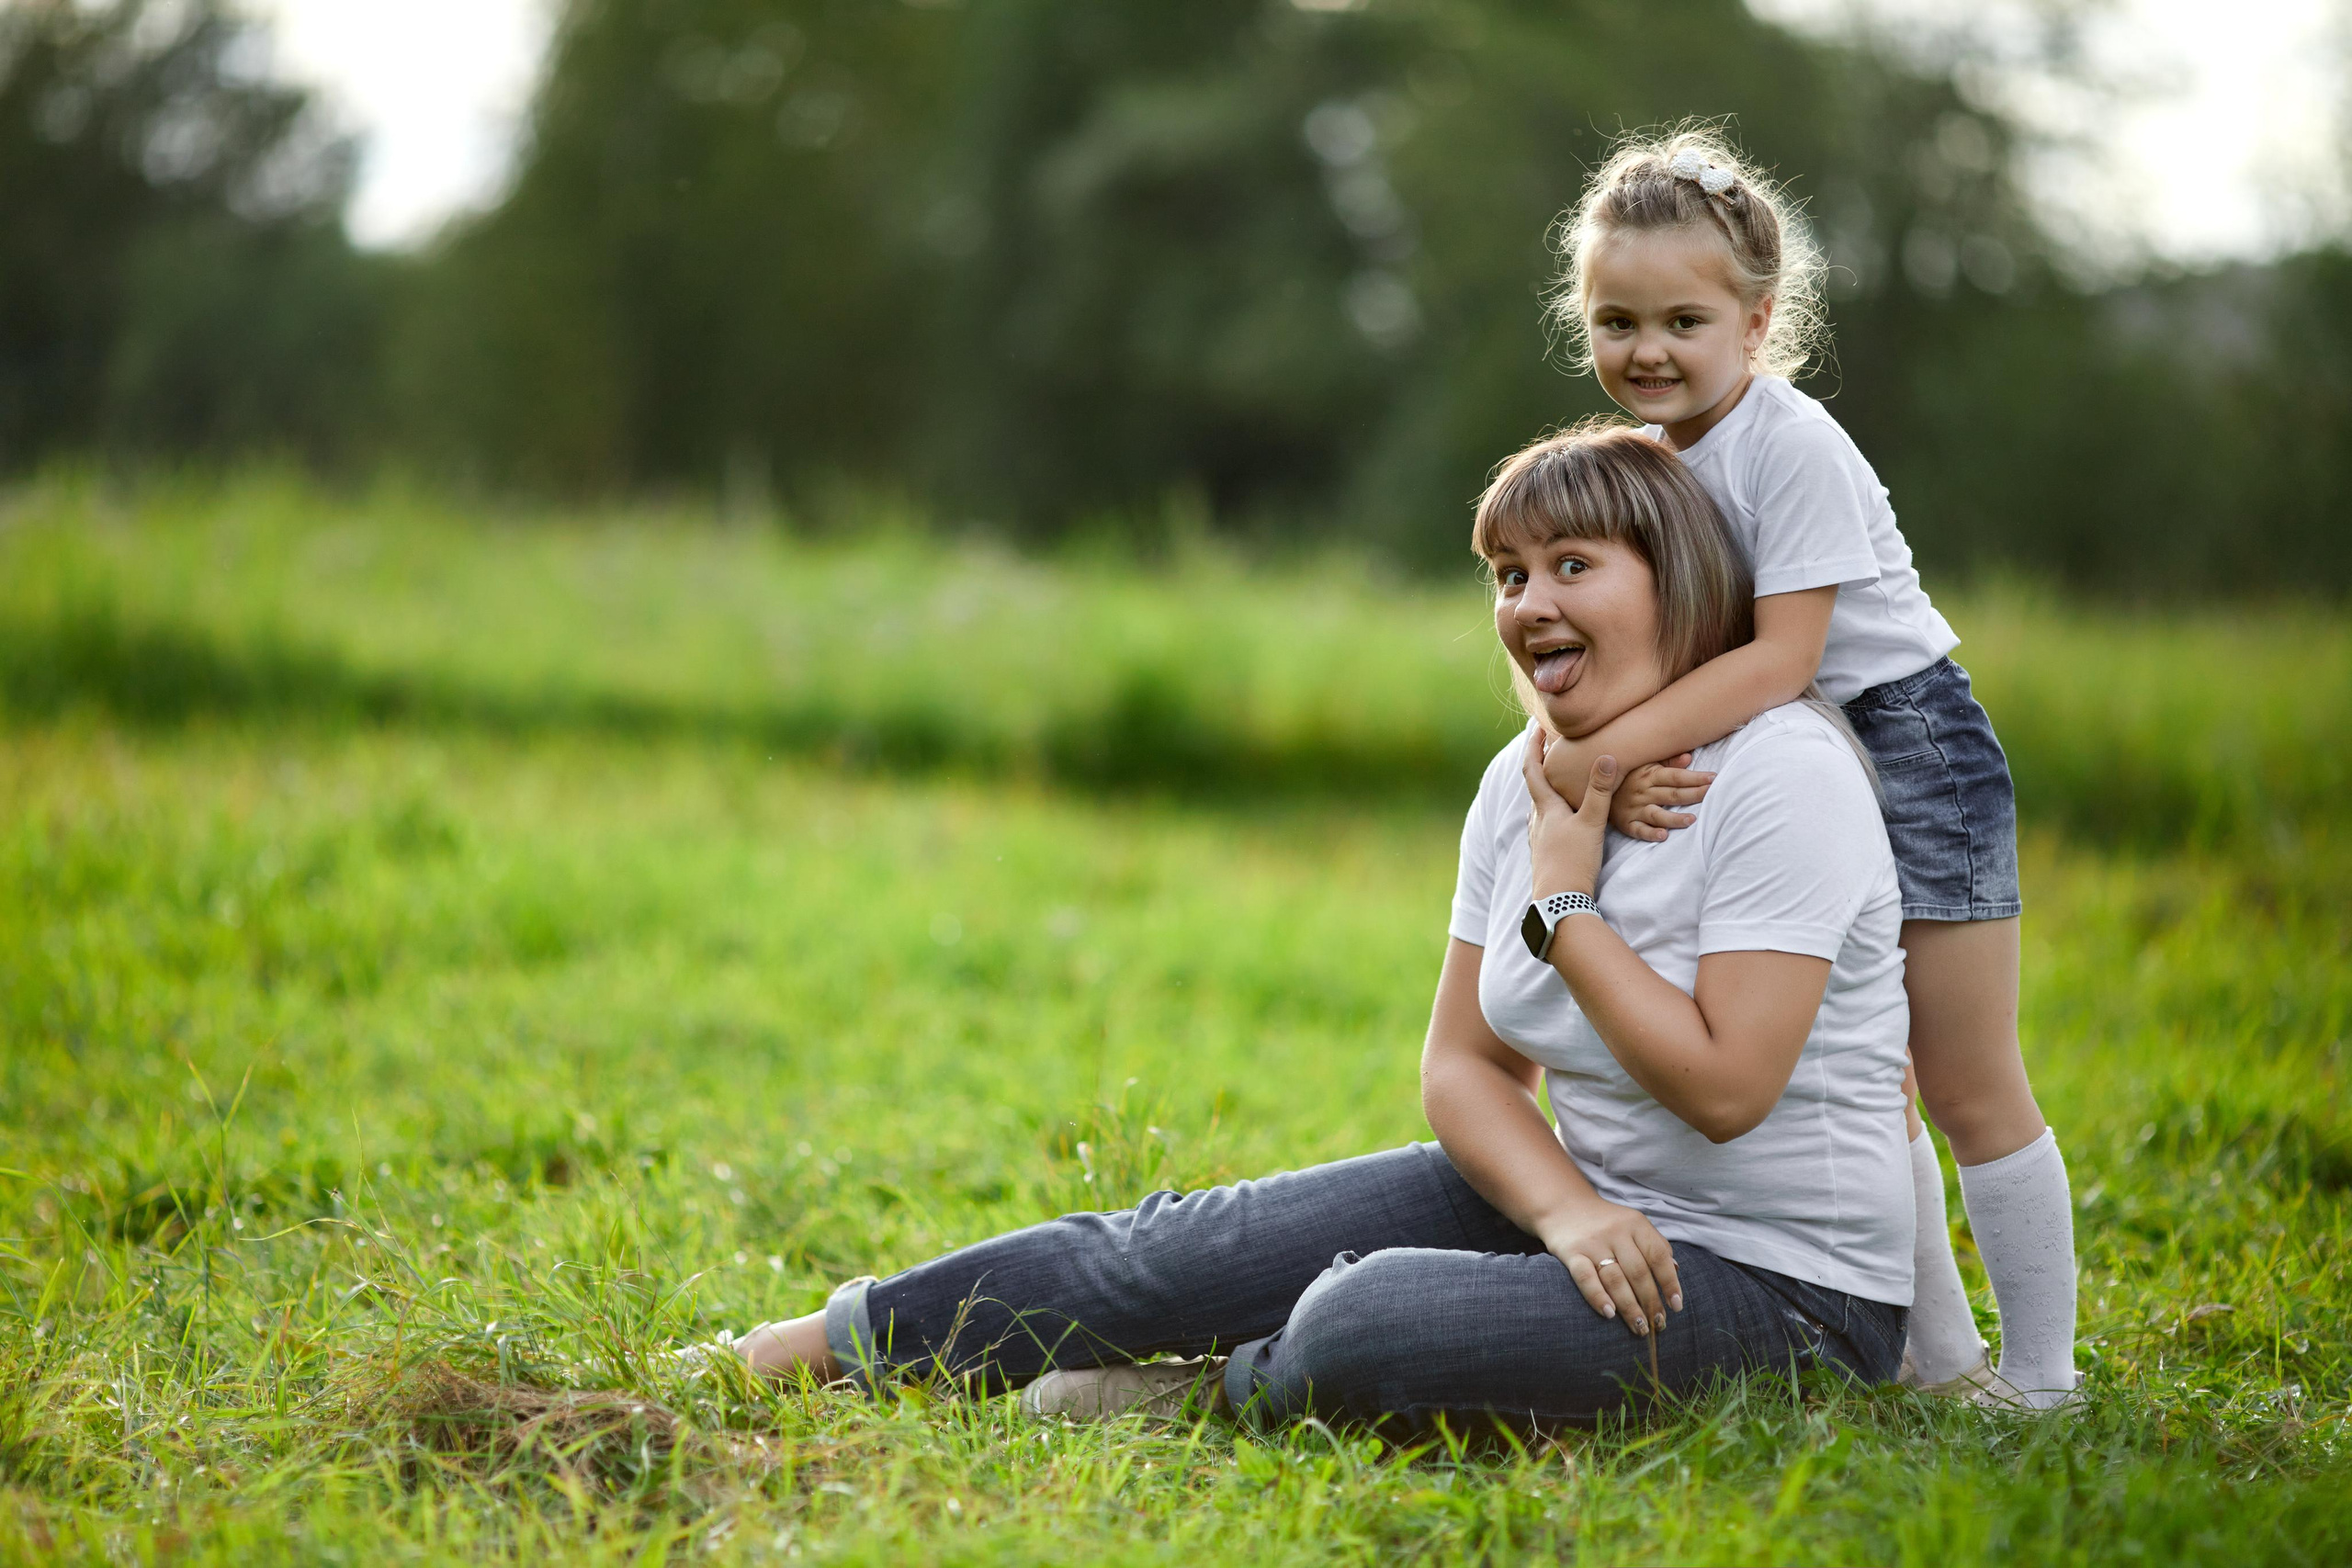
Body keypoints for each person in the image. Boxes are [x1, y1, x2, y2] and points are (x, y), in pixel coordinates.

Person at [698, 425, 1914, 1430]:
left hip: (1784, 1293)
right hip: (1581, 1202)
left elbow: (1726, 1086)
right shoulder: (1530, 779)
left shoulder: (1780, 773)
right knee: (1176, 1253)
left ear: (1678, 578)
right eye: (1507, 574)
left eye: (1572, 566)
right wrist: (1566, 1211)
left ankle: (1198, 1398)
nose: (1528, 604)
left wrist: (1564, 901)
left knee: (1362, 1324)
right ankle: (810, 1347)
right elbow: (1465, 1068)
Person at [1532, 127, 2077, 1407]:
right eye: (1616, 320)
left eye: (1682, 318)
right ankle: (1936, 1367)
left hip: (1912, 748)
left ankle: (2046, 1384)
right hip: (1795, 760)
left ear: (1758, 321)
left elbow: (1783, 658)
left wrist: (1607, 754)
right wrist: (1628, 760)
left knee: (1964, 1078)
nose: (1646, 349)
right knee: (1866, 1080)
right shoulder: (1656, 469)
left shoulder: (1790, 444)